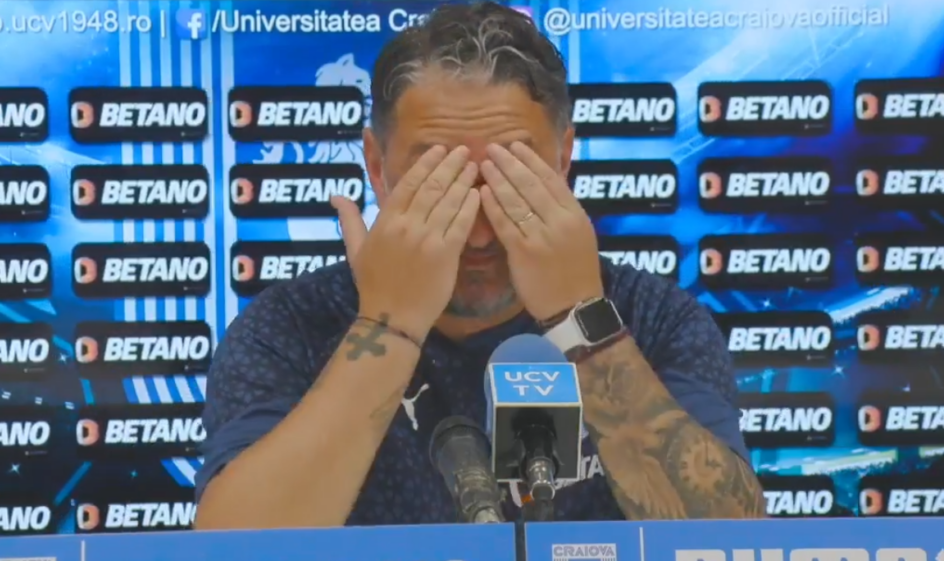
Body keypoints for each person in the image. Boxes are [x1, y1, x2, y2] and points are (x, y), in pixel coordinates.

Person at [194, 1, 764, 529]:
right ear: (376, 166)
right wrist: (387, 328)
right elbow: (229, 546)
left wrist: (581, 322)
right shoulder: (290, 327)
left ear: (563, 160)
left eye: (510, 178)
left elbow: (732, 542)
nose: (480, 230)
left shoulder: (653, 319)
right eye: (441, 181)